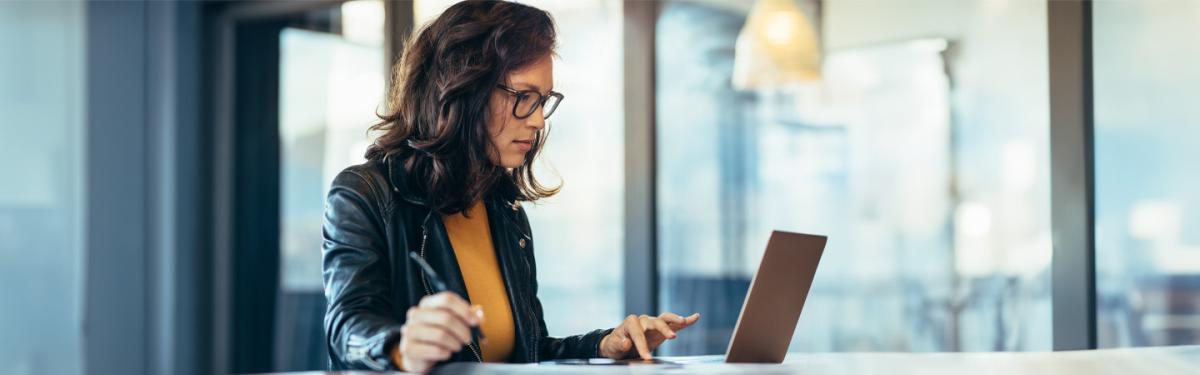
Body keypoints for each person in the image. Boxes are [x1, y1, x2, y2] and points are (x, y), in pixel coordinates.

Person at [321, 1, 699, 372]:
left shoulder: (503, 208)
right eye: (523, 97)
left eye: (543, 101)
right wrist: (403, 349)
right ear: (464, 89)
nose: (538, 121)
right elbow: (347, 329)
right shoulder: (364, 194)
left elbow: (527, 352)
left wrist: (605, 345)